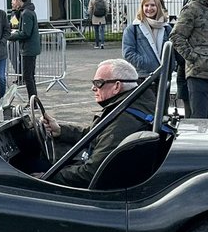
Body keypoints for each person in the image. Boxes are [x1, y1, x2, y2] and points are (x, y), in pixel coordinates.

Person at [41, 58, 158, 188]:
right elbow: (95, 134)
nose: (93, 88)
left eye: (98, 83)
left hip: (105, 190)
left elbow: (91, 172)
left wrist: (44, 178)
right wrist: (61, 131)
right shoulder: (131, 105)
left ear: (117, 86)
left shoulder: (123, 120)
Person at [122, 0, 172, 78]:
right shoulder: (132, 29)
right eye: (146, 5)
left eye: (153, 5)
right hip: (142, 76)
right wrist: (148, 64)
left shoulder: (167, 28)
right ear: (142, 7)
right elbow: (128, 53)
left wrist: (171, 66)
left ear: (158, 7)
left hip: (164, 76)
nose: (149, 8)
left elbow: (173, 52)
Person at [7, 0, 40, 100]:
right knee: (30, 76)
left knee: (28, 77)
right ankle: (33, 100)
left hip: (29, 49)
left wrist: (11, 36)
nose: (12, 3)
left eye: (13, 1)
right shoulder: (26, 11)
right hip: (29, 48)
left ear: (19, 0)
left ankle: (33, 101)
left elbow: (25, 33)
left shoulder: (26, 13)